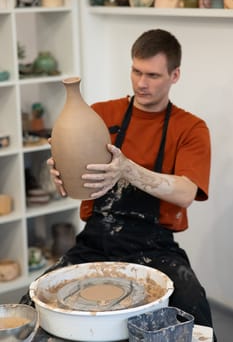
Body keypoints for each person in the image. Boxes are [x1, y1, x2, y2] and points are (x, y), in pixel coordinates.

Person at [20, 29, 216, 340]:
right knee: (33, 305)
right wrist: (61, 173)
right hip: (95, 242)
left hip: (156, 246)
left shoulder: (190, 128)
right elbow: (75, 182)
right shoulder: (99, 115)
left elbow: (186, 192)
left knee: (194, 311)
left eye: (152, 74)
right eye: (136, 70)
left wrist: (127, 169)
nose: (141, 82)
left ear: (175, 75)